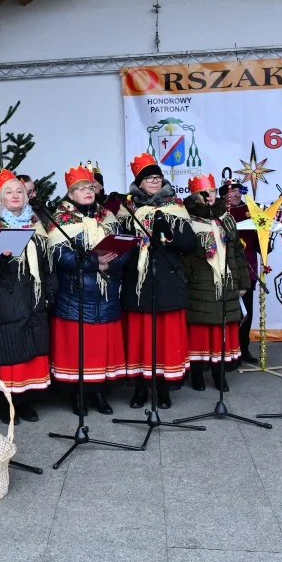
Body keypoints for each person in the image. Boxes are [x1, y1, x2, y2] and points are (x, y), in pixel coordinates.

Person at [0, 169, 55, 424]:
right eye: (8, 191)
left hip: (33, 297)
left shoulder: (36, 224)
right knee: (8, 353)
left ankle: (25, 401)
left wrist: (50, 291)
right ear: (0, 199)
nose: (15, 195)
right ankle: (4, 403)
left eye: (19, 190)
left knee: (31, 350)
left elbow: (47, 263)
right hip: (4, 298)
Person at [48, 163, 129, 415]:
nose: (88, 191)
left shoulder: (108, 216)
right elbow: (60, 256)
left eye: (91, 187)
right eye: (81, 188)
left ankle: (99, 394)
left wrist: (111, 263)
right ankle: (78, 396)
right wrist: (96, 262)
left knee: (100, 349)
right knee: (78, 349)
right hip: (76, 293)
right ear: (70, 194)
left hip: (106, 291)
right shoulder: (59, 218)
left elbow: (125, 248)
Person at [120, 154, 197, 409]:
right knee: (142, 338)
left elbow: (190, 243)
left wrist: (170, 234)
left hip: (167, 280)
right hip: (138, 283)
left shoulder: (176, 205)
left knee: (164, 339)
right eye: (149, 178)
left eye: (157, 177)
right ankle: (141, 388)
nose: (154, 181)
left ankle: (164, 388)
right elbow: (121, 244)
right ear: (139, 182)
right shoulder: (128, 209)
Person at [182, 174, 251, 392]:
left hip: (226, 281)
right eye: (203, 193)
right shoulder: (187, 220)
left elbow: (237, 253)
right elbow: (183, 257)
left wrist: (242, 282)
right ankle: (197, 374)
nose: (208, 196)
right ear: (194, 197)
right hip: (199, 283)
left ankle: (219, 373)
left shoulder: (226, 219)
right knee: (200, 331)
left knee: (221, 330)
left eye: (211, 191)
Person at [220, 182, 261, 365]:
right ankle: (226, 350)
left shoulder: (251, 211)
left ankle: (243, 349)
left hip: (248, 267)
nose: (237, 194)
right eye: (232, 191)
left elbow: (259, 241)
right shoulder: (218, 213)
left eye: (239, 191)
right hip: (224, 267)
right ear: (223, 196)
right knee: (227, 312)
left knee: (247, 312)